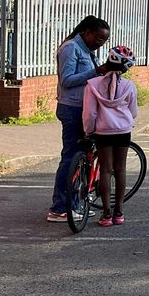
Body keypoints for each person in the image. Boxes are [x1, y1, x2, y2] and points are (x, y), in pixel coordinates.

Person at [48, 16, 111, 222]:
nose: (100, 44)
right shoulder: (71, 48)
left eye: (104, 41)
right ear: (87, 32)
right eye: (99, 39)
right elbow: (66, 80)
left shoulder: (86, 50)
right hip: (72, 109)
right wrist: (96, 71)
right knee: (70, 158)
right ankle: (59, 208)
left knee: (82, 159)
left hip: (84, 109)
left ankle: (75, 204)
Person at [81, 45, 138, 226]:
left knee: (105, 170)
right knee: (120, 169)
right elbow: (133, 111)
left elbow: (89, 113)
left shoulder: (92, 85)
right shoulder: (129, 86)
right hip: (122, 130)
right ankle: (119, 212)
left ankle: (106, 214)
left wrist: (88, 131)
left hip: (103, 131)